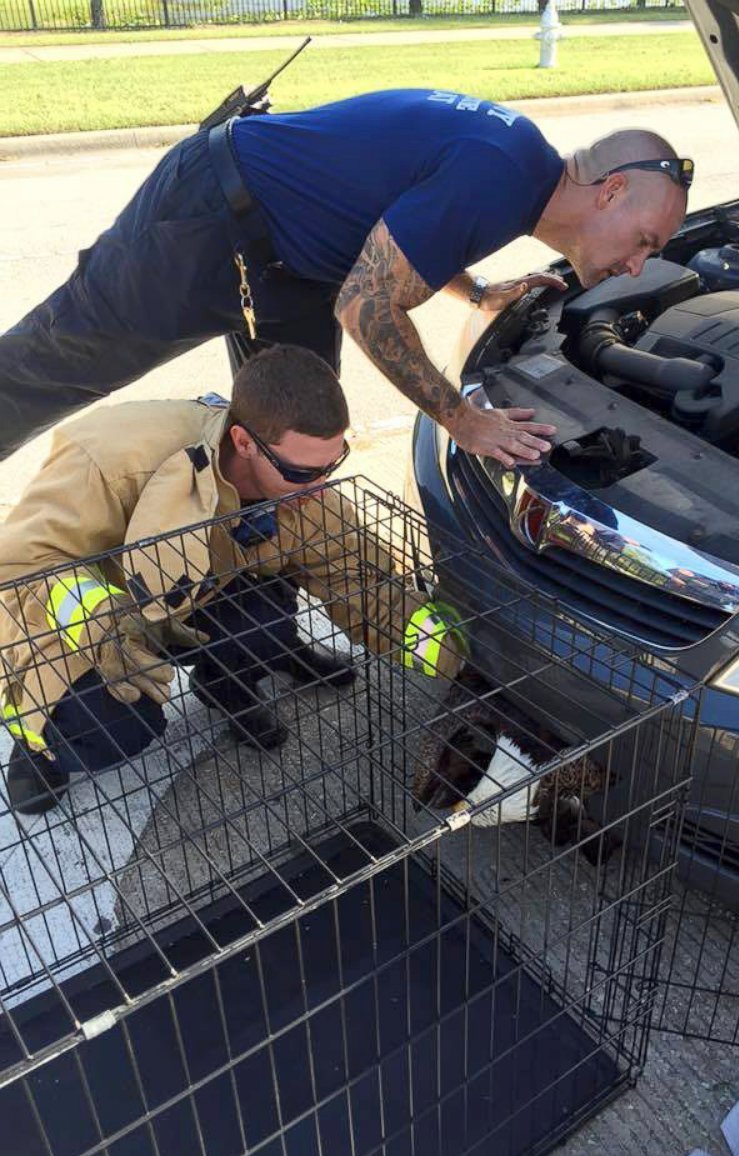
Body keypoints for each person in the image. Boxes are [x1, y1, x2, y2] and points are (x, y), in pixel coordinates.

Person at [0, 89, 691, 468]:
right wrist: (463, 420)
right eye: (644, 241)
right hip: (206, 220)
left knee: (297, 441)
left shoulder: (522, 173)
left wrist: (476, 292)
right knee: (57, 365)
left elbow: (399, 234)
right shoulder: (502, 175)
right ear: (610, 191)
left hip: (291, 269)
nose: (638, 265)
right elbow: (367, 305)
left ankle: (253, 627)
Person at [0, 345, 464, 815]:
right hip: (93, 626)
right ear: (244, 442)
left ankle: (226, 684)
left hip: (183, 601)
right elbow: (16, 568)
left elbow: (370, 593)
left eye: (333, 464)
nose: (318, 487)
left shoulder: (306, 492)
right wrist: (100, 619)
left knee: (266, 619)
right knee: (112, 729)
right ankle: (37, 744)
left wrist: (468, 660)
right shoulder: (111, 456)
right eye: (301, 472)